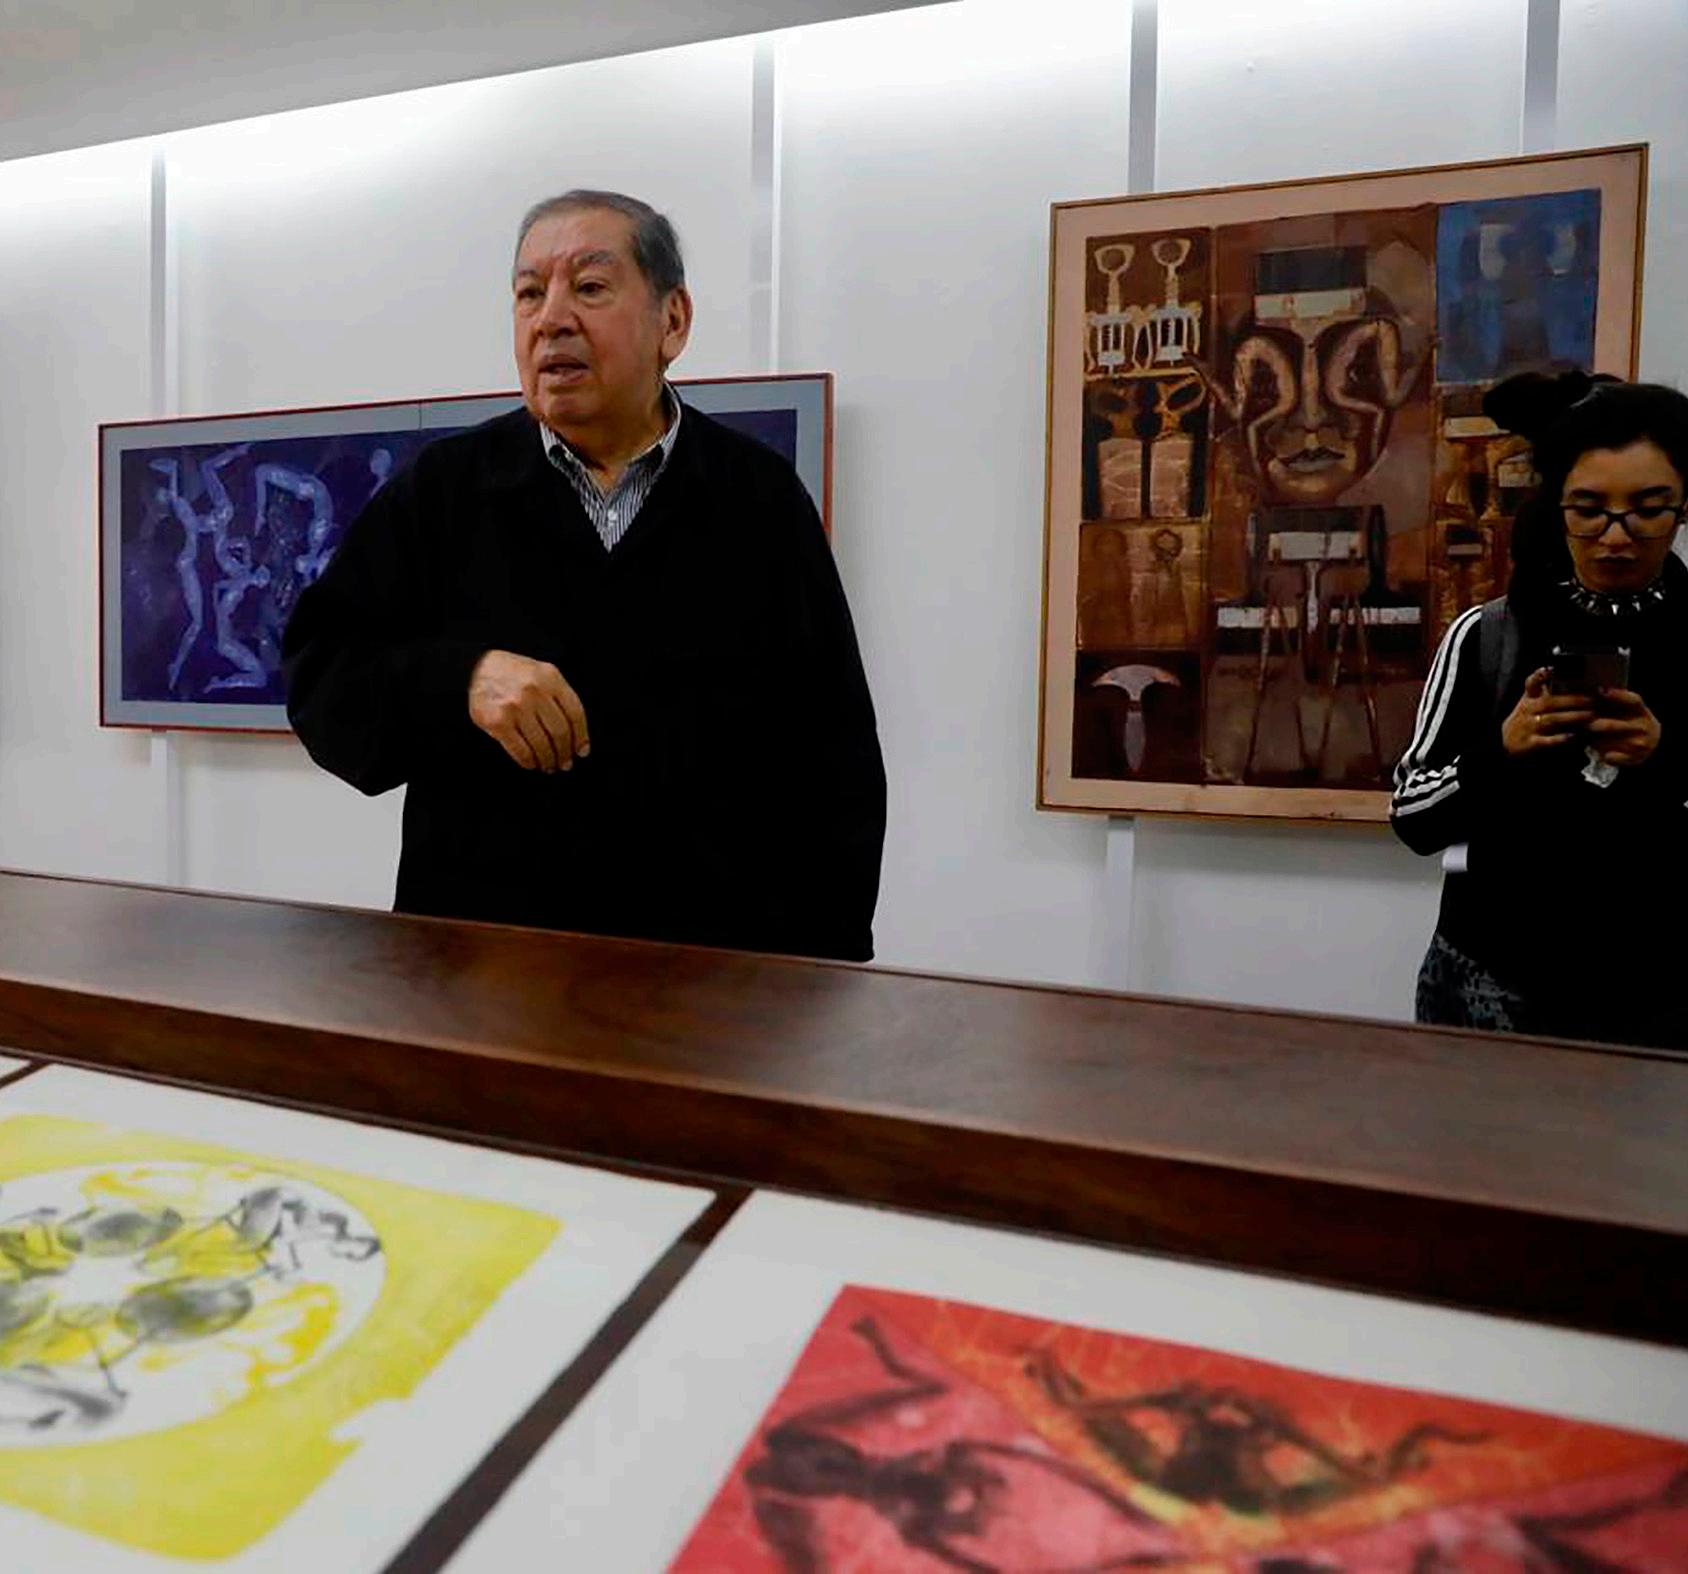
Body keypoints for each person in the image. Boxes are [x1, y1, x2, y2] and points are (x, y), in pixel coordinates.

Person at [283, 191, 886, 961]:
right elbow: (322, 676)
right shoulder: (443, 490)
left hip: (705, 985)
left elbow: (834, 760)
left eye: (591, 287)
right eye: (530, 293)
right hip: (481, 977)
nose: (552, 319)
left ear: (673, 321)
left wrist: (821, 979)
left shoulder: (759, 500)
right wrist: (459, 679)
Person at [1391, 371, 1688, 1048]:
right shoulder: (1488, 635)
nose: (1617, 536)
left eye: (1648, 509)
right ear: (1557, 505)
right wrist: (1502, 752)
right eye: (1589, 508)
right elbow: (1412, 816)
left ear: (1681, 508)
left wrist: (1664, 759)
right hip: (1490, 986)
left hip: (1666, 992)